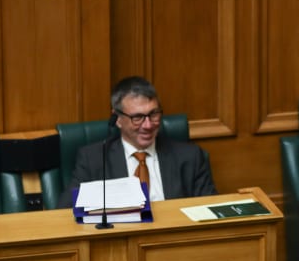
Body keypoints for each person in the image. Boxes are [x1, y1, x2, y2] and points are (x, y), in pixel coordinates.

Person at [60, 75, 216, 208]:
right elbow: (65, 210)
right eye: (137, 117)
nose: (148, 125)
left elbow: (209, 209)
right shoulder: (93, 159)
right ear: (118, 119)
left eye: (153, 114)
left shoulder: (190, 157)